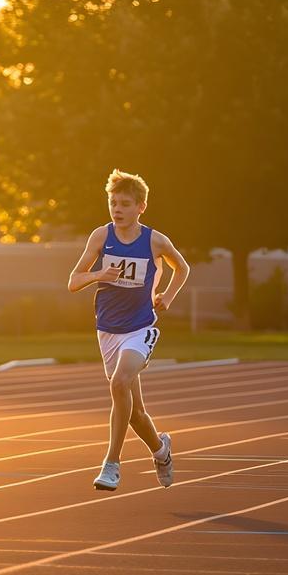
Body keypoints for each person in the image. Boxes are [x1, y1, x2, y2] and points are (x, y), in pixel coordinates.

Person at [67, 169, 190, 491]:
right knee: (135, 413)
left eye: (124, 204)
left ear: (141, 207)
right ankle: (161, 451)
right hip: (107, 330)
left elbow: (182, 267)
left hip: (140, 328)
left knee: (120, 382)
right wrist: (99, 275)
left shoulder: (154, 240)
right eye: (112, 203)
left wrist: (168, 296)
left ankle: (111, 463)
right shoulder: (100, 236)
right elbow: (73, 281)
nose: (117, 210)